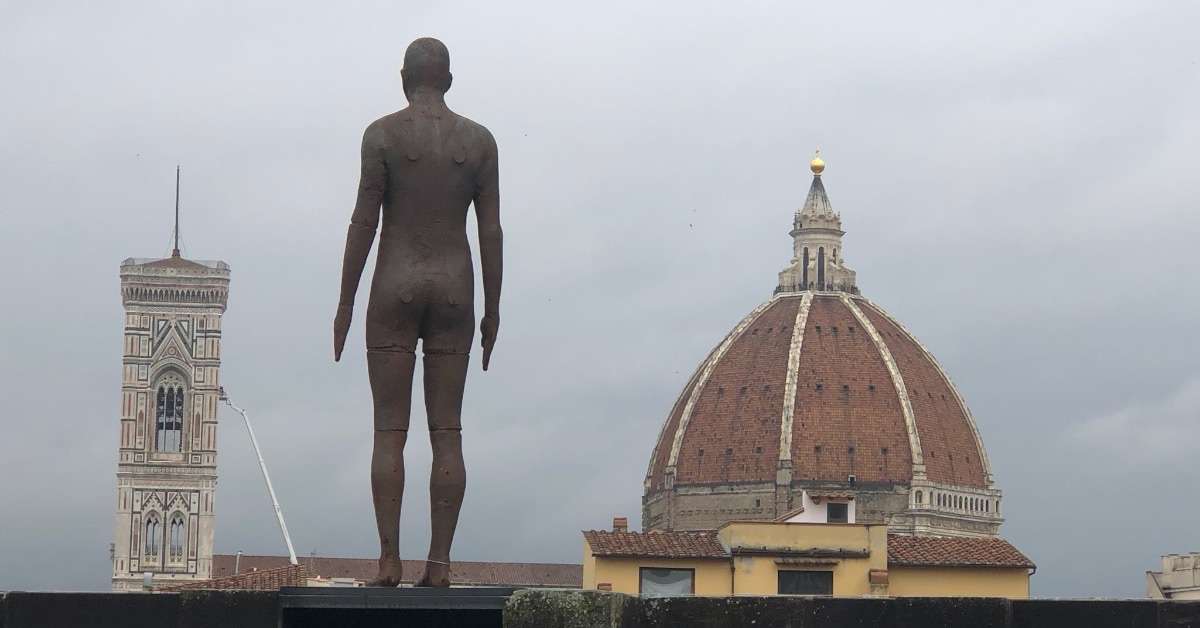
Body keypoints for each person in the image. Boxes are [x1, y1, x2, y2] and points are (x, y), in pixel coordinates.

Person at [333, 37, 502, 587]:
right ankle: (440, 564)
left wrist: (345, 300)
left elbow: (364, 223)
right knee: (447, 431)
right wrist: (493, 310)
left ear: (404, 78)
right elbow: (491, 231)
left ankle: (388, 559)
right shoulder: (478, 142)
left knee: (389, 432)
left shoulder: (381, 135)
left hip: (394, 285)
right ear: (448, 80)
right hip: (456, 289)